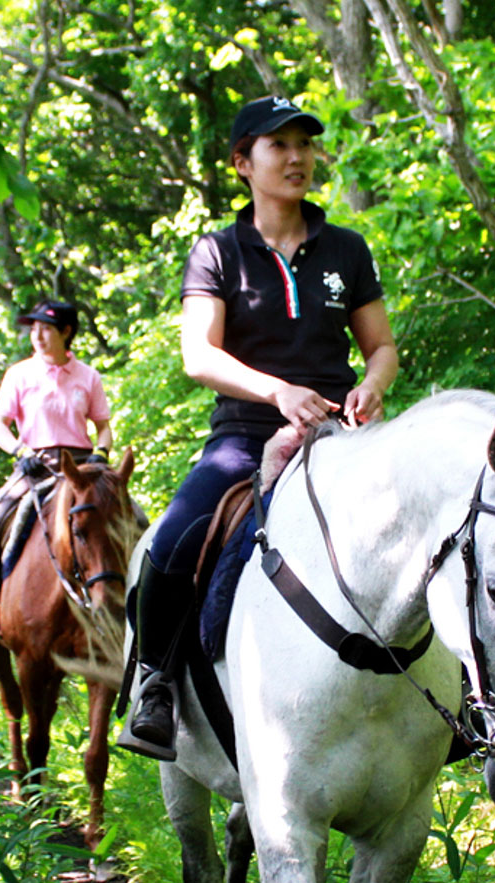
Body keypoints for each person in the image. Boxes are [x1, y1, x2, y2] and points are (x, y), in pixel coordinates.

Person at [117, 95, 399, 760]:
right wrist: (279, 391)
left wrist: (372, 386)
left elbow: (381, 347)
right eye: (279, 145)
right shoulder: (217, 252)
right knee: (172, 541)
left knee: (429, 534)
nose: (297, 156)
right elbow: (199, 355)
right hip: (244, 437)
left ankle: (448, 707)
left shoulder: (347, 250)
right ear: (243, 162)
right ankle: (155, 683)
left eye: (304, 143)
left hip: (341, 435)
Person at [0, 299, 114, 638]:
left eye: (45, 328)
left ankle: (136, 600)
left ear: (66, 332)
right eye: (33, 328)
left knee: (132, 517)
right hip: (36, 466)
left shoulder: (87, 376)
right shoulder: (19, 374)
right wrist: (20, 450)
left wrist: (103, 452)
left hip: (81, 467)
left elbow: (103, 426)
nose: (37, 335)